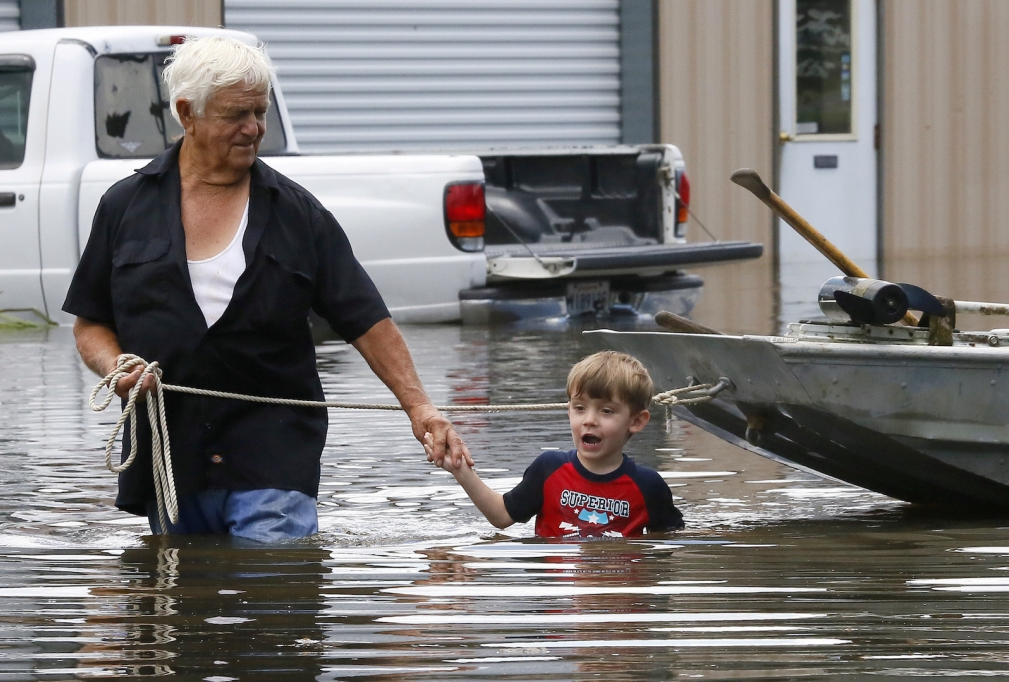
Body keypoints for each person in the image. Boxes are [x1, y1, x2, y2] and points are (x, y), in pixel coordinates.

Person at [63, 36, 469, 543]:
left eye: (260, 111)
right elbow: (90, 323)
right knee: (183, 606)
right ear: (187, 113)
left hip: (274, 452)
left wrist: (420, 407)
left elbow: (366, 320)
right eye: (237, 115)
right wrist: (117, 369)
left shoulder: (298, 215)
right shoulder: (124, 206)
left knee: (276, 594)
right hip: (171, 454)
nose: (254, 128)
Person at [428, 351, 684, 537]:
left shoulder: (648, 486)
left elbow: (669, 541)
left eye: (606, 411)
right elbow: (501, 516)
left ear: (637, 421)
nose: (590, 421)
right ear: (569, 411)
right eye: (580, 408)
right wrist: (461, 470)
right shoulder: (548, 468)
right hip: (558, 603)